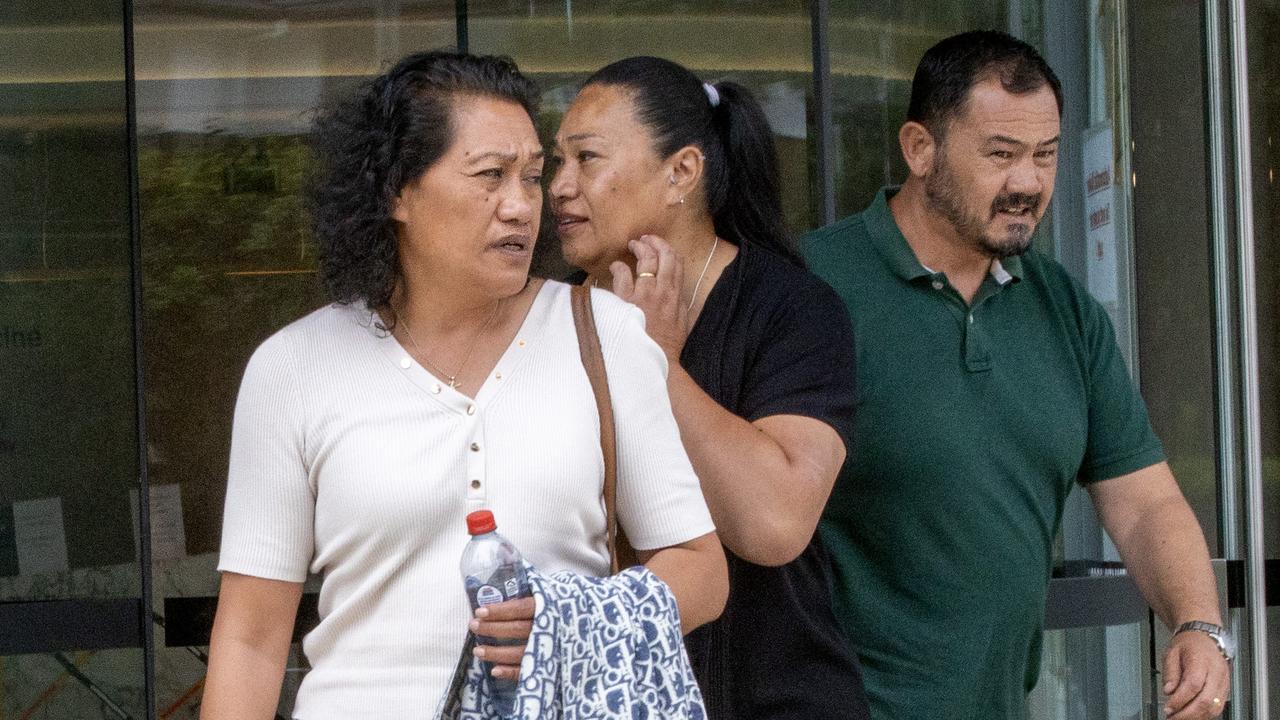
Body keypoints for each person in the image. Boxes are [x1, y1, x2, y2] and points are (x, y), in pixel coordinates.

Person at [201, 50, 728, 719]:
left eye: (532, 178)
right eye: (490, 176)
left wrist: (568, 620)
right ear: (397, 191)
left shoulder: (605, 335)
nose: (521, 205)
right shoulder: (295, 367)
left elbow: (701, 568)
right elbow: (249, 639)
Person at [804, 30, 1231, 720]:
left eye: (1046, 155)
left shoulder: (1065, 310)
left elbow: (1145, 502)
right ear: (920, 150)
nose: (1028, 182)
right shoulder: (812, 288)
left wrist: (1197, 623)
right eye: (1001, 155)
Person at [549, 56, 871, 719]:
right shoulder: (549, 324)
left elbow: (775, 522)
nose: (558, 186)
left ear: (682, 173)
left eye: (586, 159)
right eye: (557, 163)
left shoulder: (793, 309)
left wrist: (654, 363)